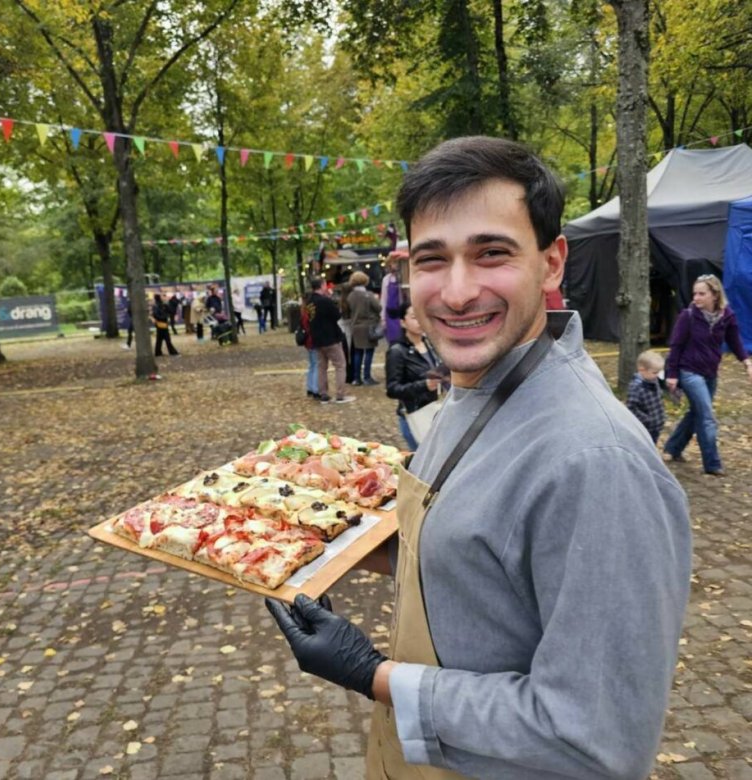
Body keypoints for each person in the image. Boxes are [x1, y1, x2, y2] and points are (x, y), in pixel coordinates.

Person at [267, 136, 691, 779]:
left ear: (551, 264)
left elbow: (598, 739)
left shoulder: (595, 464)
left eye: (491, 253)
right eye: (433, 260)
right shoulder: (476, 385)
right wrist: (325, 545)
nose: (458, 292)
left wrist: (374, 675)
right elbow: (480, 555)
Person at [662, 274, 752, 475]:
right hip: (689, 371)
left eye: (702, 294)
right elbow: (675, 346)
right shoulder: (688, 316)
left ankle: (672, 448)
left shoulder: (726, 316)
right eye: (695, 293)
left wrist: (746, 362)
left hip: (710, 372)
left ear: (715, 295)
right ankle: (712, 463)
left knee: (696, 412)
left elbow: (735, 341)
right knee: (707, 415)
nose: (696, 298)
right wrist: (673, 374)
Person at [385, 302, 443, 450]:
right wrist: (424, 385)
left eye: (422, 317)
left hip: (435, 410)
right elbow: (392, 389)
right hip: (415, 413)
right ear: (403, 322)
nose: (420, 321)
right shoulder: (397, 351)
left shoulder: (429, 344)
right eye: (414, 317)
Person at [306, 276, 354, 404]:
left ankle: (323, 393)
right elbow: (337, 315)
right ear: (322, 285)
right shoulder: (324, 301)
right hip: (330, 338)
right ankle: (340, 394)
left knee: (322, 367)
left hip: (317, 339)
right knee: (340, 365)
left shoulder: (310, 302)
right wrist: (330, 298)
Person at [346, 270, 382, 385]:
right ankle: (367, 377)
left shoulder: (350, 296)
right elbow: (378, 308)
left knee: (357, 352)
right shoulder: (368, 295)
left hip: (355, 326)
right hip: (368, 326)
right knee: (369, 352)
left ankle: (357, 378)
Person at [626, 350, 667, 443]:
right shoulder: (636, 387)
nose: (657, 376)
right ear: (642, 370)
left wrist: (661, 416)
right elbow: (631, 408)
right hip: (645, 427)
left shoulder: (653, 380)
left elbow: (658, 399)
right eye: (655, 372)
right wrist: (648, 420)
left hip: (656, 425)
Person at [300, 291, 320, 399]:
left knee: (312, 364)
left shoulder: (303, 310)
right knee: (316, 364)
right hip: (313, 339)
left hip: (307, 340)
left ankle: (310, 387)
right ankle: (315, 388)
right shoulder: (310, 311)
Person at [380, 256, 403, 345]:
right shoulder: (386, 279)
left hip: (403, 312)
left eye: (397, 262)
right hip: (391, 315)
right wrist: (382, 318)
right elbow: (383, 299)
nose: (395, 265)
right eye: (393, 263)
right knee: (393, 341)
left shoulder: (405, 276)